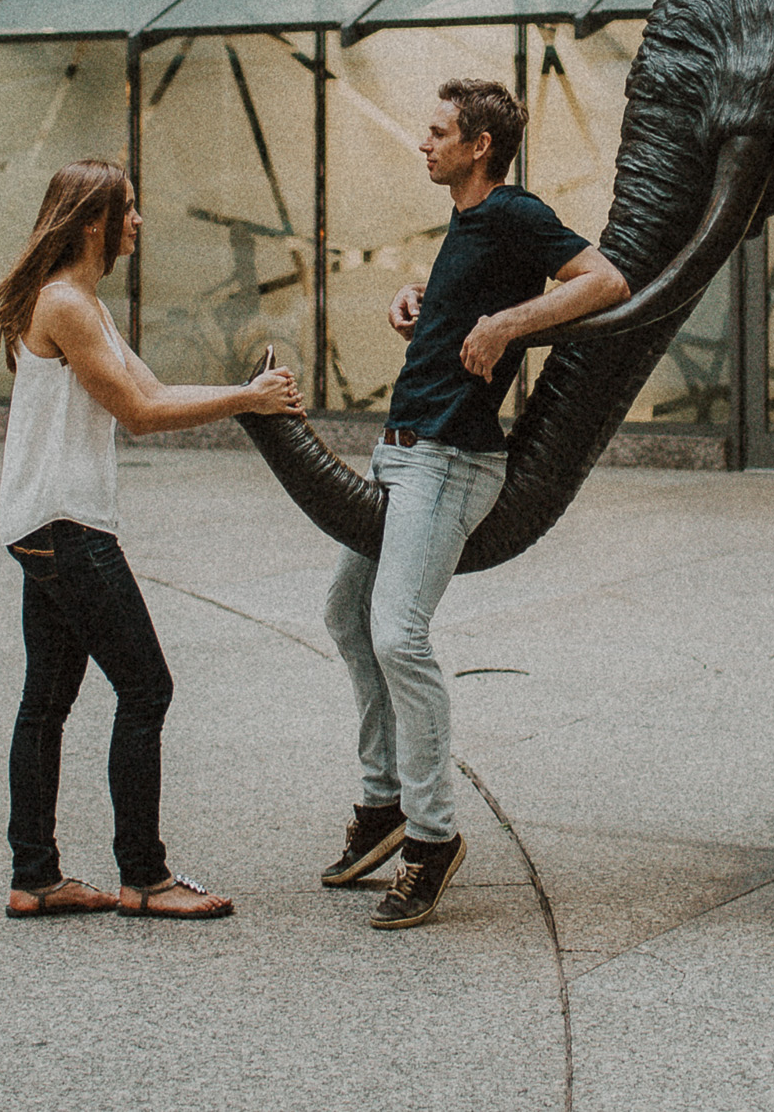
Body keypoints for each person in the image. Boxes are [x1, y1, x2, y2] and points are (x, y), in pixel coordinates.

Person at [321, 81, 628, 928]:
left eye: (438, 131)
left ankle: (431, 837)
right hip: (401, 451)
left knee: (398, 633)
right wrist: (419, 307)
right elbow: (467, 305)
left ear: (480, 144)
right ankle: (383, 803)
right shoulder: (469, 224)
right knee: (347, 615)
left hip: (450, 463)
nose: (425, 142)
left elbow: (606, 280)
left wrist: (511, 326)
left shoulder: (518, 211)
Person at [0, 158, 302, 921]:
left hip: (41, 523)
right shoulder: (65, 303)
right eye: (128, 209)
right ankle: (146, 877)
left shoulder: (81, 302)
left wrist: (242, 397)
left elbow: (155, 391)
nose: (138, 222)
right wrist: (249, 399)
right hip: (68, 525)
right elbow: (139, 413)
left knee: (46, 701)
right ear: (92, 220)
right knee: (146, 686)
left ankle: (36, 876)